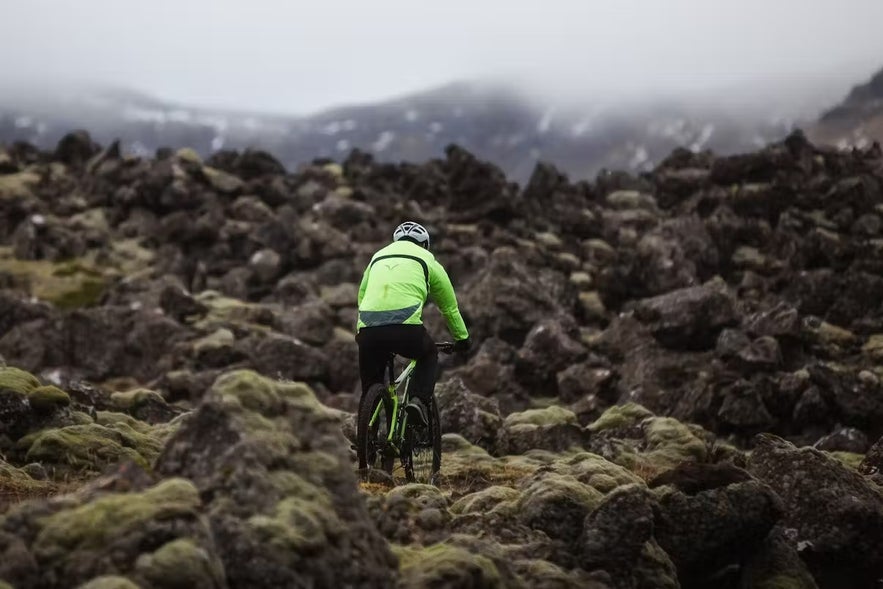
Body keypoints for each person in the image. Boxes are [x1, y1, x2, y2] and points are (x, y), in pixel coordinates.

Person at [356, 221, 470, 427]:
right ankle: (418, 401)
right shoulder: (428, 260)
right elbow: (449, 307)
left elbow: (362, 296)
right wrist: (462, 339)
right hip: (405, 329)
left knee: (370, 386)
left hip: (368, 330)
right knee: (428, 354)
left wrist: (363, 329)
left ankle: (366, 440)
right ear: (424, 244)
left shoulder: (377, 257)